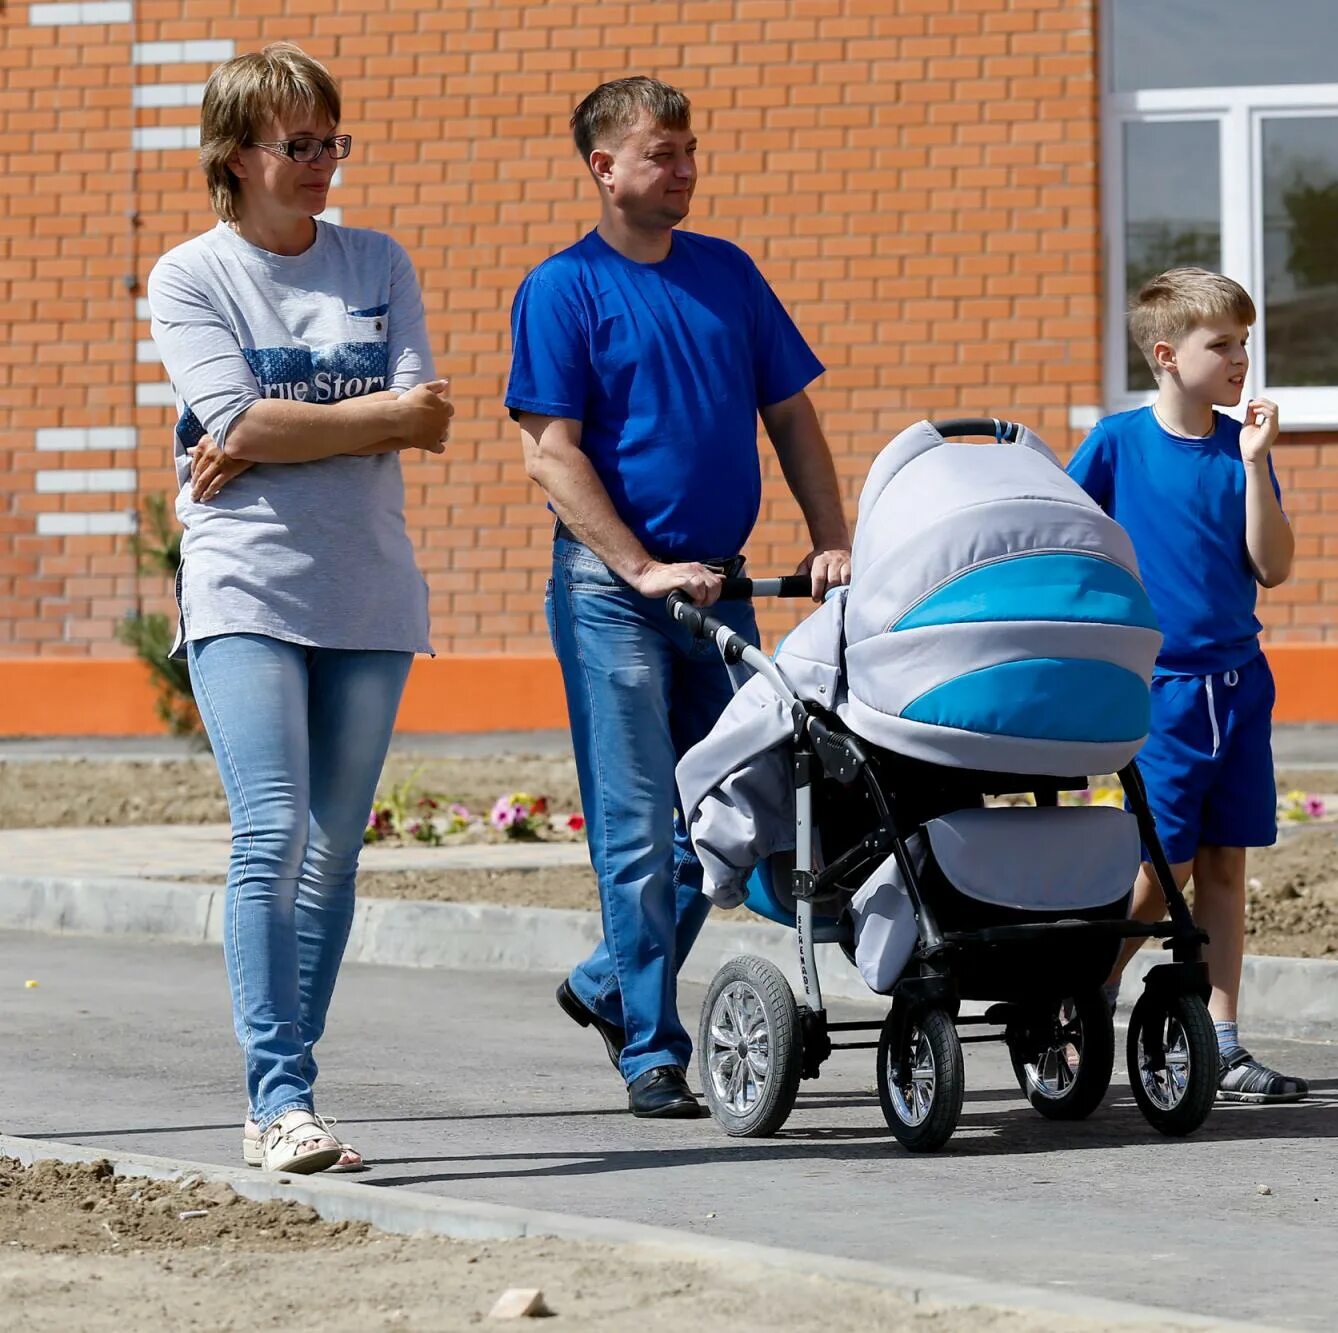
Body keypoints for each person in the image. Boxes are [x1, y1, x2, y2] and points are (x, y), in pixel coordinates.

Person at [506, 77, 850, 1119]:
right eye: (661, 154)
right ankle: (651, 1048)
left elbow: (790, 415)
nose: (684, 169)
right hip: (615, 598)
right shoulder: (563, 289)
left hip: (722, 589)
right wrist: (639, 566)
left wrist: (833, 535)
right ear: (603, 168)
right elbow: (549, 456)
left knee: (731, 813)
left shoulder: (728, 275)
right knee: (636, 827)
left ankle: (610, 984)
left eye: (690, 150)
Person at [148, 43, 453, 1173]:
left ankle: (293, 1088)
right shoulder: (191, 275)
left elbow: (428, 415)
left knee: (334, 856)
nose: (324, 161)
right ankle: (276, 1094)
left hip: (368, 590)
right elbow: (238, 422)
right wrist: (344, 418)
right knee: (270, 831)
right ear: (237, 156)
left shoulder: (375, 259)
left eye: (333, 139)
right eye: (301, 143)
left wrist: (275, 428)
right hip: (244, 583)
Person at [1068, 267, 1309, 1103]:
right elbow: (1069, 539)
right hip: (1162, 690)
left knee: (1226, 865)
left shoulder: (1240, 448)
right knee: (1160, 866)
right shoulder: (1116, 444)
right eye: (1223, 344)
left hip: (1241, 686)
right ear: (1168, 356)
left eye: (1246, 342)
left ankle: (1223, 1035)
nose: (1241, 358)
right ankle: (1091, 989)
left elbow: (1272, 567)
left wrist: (1253, 464)